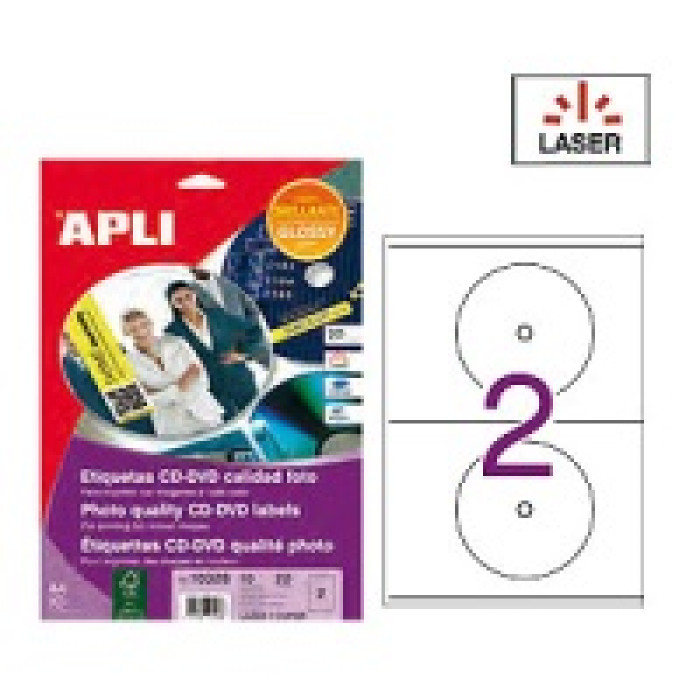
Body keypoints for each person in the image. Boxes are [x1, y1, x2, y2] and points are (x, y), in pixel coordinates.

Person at [164, 280, 264, 420]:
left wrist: (242, 354)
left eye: (188, 296)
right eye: (178, 300)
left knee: (261, 420)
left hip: (241, 382)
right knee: (231, 427)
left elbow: (254, 330)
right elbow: (175, 364)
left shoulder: (217, 315)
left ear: (195, 295)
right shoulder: (172, 331)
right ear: (172, 304)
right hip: (212, 392)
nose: (185, 302)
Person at [121, 309, 224, 437]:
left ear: (151, 324)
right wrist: (182, 384)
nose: (141, 332)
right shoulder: (126, 363)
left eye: (144, 324)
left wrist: (158, 392)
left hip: (205, 415)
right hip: (171, 427)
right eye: (133, 329)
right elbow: (140, 401)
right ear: (126, 333)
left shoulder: (176, 342)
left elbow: (200, 376)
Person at [61, 332, 155, 435]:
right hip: (100, 430)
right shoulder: (65, 368)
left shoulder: (113, 351)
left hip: (136, 424)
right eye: (67, 337)